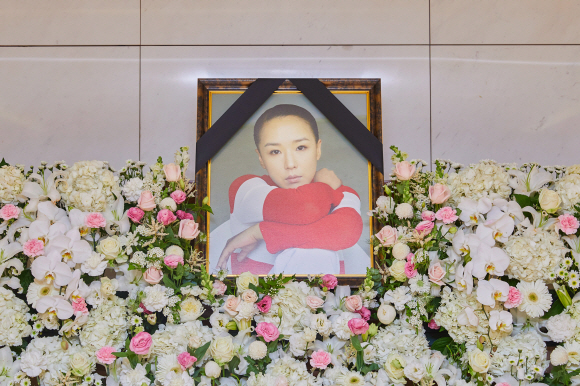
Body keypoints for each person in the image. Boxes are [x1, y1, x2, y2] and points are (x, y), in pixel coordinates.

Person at [209, 104, 369, 275]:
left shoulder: (343, 193)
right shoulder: (245, 188)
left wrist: (259, 232)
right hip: (249, 299)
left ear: (318, 149)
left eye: (301, 147)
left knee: (315, 253)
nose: (290, 164)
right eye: (275, 151)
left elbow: (346, 232)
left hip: (326, 299)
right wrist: (326, 187)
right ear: (261, 158)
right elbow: (303, 207)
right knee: (315, 250)